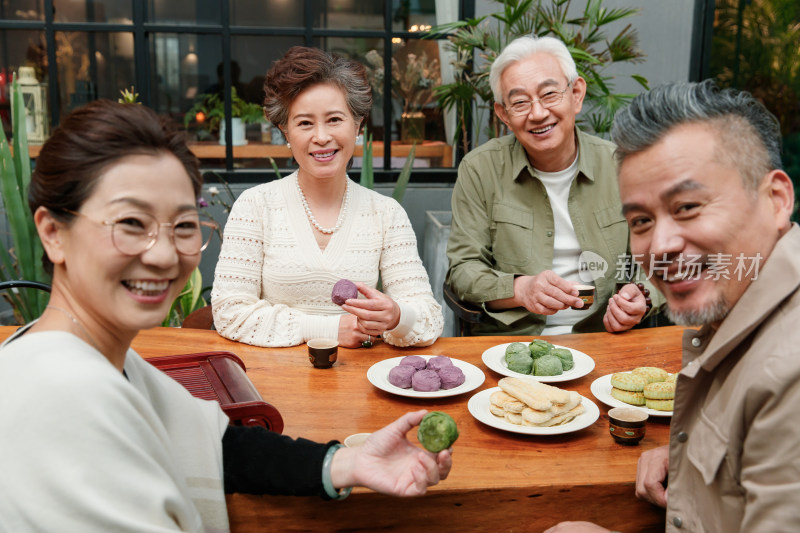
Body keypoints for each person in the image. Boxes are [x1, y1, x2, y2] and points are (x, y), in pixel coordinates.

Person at [0, 100, 452, 532]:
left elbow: (215, 447)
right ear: (53, 233)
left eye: (181, 226)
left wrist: (348, 462)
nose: (161, 255)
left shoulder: (99, 359)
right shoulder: (59, 395)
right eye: (130, 224)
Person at [545, 81, 798, 532]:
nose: (659, 246)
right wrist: (691, 460)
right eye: (641, 220)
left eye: (687, 206)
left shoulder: (788, 371)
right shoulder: (743, 308)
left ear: (775, 200)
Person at [211, 46, 443, 348]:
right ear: (286, 132)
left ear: (357, 125)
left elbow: (429, 318)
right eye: (305, 123)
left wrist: (397, 316)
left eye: (334, 119)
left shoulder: (386, 213)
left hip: (359, 384)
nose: (321, 136)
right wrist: (329, 328)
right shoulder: (255, 206)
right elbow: (230, 312)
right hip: (272, 378)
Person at [446, 35, 661, 336]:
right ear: (503, 115)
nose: (537, 113)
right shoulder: (480, 169)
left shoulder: (622, 166)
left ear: (576, 94)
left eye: (549, 95)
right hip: (512, 348)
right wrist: (520, 289)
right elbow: (464, 270)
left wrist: (643, 294)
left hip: (605, 340)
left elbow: (663, 255)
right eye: (520, 102)